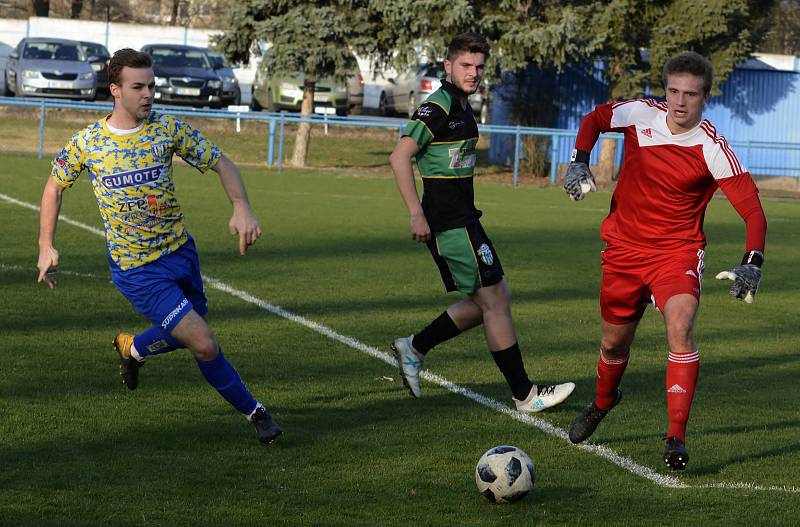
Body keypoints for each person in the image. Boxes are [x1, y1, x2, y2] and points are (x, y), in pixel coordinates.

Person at [36, 48, 282, 445]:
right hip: (138, 270)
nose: (148, 94)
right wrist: (46, 244)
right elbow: (53, 187)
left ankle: (133, 348)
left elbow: (221, 161)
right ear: (115, 90)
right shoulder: (88, 143)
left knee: (193, 324)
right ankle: (257, 414)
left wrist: (241, 206)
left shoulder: (167, 129)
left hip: (181, 253)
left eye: (152, 85)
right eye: (138, 87)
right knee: (203, 341)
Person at [563, 51, 767, 469]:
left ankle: (676, 436)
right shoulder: (642, 114)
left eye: (690, 94)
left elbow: (753, 210)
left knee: (681, 325)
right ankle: (603, 402)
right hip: (623, 249)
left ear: (705, 97)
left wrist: (753, 261)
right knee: (613, 342)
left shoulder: (711, 146)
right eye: (673, 91)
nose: (679, 102)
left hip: (676, 252)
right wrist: (579, 161)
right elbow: (594, 120)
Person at [388, 33, 575, 412]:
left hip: (465, 218)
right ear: (448, 66)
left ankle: (415, 346)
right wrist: (415, 213)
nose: (473, 73)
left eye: (479, 67)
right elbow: (399, 156)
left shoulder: (461, 104)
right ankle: (524, 394)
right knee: (494, 302)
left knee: (495, 297)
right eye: (466, 66)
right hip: (448, 221)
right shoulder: (438, 105)